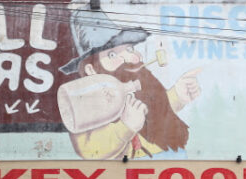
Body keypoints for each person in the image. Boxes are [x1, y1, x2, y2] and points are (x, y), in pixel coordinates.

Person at [58, 8, 201, 160]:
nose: (132, 58)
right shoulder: (82, 102)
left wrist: (177, 95)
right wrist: (124, 127)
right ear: (91, 69)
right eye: (112, 54)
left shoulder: (134, 88)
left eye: (129, 48)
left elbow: (151, 109)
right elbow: (89, 149)